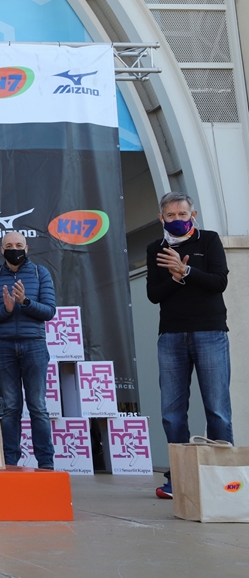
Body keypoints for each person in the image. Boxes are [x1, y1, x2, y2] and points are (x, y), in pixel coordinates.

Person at [146, 191, 231, 499]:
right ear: (161, 218)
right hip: (171, 336)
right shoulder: (156, 248)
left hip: (210, 332)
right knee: (172, 412)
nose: (177, 220)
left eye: (183, 214)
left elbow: (219, 282)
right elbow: (154, 294)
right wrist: (174, 277)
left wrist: (187, 271)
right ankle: (179, 479)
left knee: (217, 409)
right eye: (171, 215)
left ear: (193, 215)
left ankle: (224, 479)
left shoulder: (209, 240)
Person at [0, 231, 57, 470]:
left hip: (34, 345)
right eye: (9, 245)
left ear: (27, 248)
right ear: (2, 250)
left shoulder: (40, 273)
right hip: (3, 347)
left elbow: (49, 311)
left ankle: (46, 464)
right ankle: (10, 462)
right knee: (11, 407)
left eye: (19, 245)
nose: (15, 249)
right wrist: (7, 309)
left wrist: (25, 303)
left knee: (38, 407)